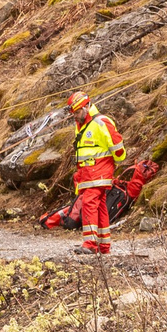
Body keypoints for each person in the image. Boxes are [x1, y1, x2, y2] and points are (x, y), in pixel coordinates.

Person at [68, 91, 124, 255]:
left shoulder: (101, 122)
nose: (75, 116)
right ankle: (103, 245)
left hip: (99, 171)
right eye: (74, 113)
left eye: (77, 112)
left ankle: (90, 243)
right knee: (100, 207)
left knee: (89, 203)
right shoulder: (81, 124)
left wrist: (112, 162)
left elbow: (118, 147)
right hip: (88, 173)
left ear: (86, 106)